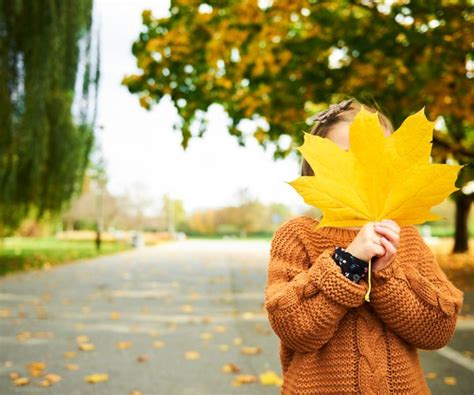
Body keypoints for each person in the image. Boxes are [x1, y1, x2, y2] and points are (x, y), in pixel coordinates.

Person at [264, 98, 464, 394]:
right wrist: (349, 264)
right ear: (316, 169)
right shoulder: (298, 235)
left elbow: (438, 329)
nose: (360, 169)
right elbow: (294, 329)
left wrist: (388, 274)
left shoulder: (405, 237)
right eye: (345, 158)